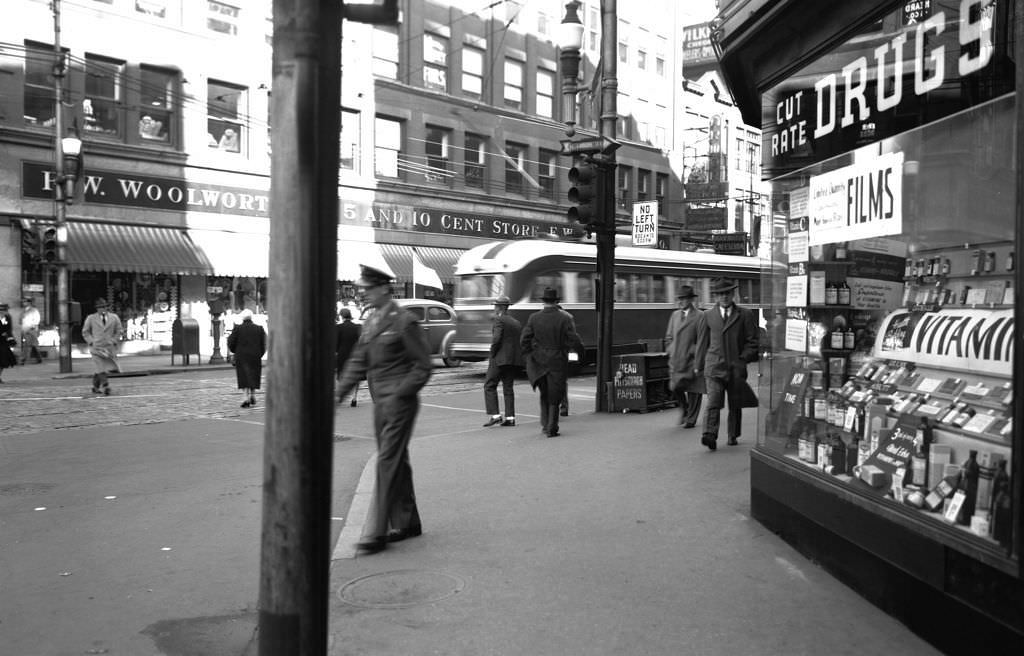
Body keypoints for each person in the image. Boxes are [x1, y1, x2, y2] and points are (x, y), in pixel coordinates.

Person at [336, 265, 433, 554]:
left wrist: (401, 394)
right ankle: (407, 522)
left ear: (382, 288)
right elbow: (357, 361)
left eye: (366, 288)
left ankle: (375, 533)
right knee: (396, 460)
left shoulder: (404, 321)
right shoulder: (371, 322)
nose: (362, 293)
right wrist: (337, 395)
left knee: (387, 461)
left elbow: (423, 366)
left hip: (400, 403)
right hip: (381, 403)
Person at [694, 277, 760, 451]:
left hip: (736, 368)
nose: (723, 297)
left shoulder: (745, 315)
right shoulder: (707, 316)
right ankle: (709, 434)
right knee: (713, 401)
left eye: (727, 293)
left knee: (735, 403)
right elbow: (702, 342)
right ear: (716, 296)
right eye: (720, 294)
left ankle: (733, 434)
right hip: (714, 367)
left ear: (733, 294)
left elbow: (752, 342)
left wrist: (743, 359)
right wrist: (698, 366)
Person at [520, 287, 580, 438]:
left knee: (544, 393)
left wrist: (530, 355)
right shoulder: (564, 318)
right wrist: (575, 352)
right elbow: (573, 339)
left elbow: (524, 340)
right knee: (556, 394)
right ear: (557, 301)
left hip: (539, 360)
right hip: (558, 359)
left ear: (543, 301)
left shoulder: (533, 318)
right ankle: (552, 427)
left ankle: (545, 424)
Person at [665, 285, 705, 428]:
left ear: (691, 300)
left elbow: (702, 338)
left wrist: (694, 352)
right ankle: (685, 408)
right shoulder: (675, 315)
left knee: (695, 389)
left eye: (684, 298)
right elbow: (669, 336)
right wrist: (671, 349)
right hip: (676, 359)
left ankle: (691, 419)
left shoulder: (700, 316)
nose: (681, 301)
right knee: (675, 386)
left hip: (692, 359)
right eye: (679, 298)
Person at [483, 295, 523, 427]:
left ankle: (495, 415)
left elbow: (496, 340)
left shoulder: (499, 320)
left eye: (495, 306)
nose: (494, 308)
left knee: (489, 385)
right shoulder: (515, 322)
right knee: (508, 388)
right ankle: (510, 418)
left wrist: (492, 354)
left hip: (499, 359)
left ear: (499, 307)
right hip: (512, 360)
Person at [81, 298, 123, 395]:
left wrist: (114, 340)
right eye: (100, 307)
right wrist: (91, 341)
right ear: (97, 309)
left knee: (103, 368)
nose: (103, 309)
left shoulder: (114, 317)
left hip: (109, 348)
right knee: (100, 367)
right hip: (96, 348)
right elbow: (85, 332)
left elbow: (119, 330)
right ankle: (106, 386)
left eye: (105, 307)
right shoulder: (91, 318)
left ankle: (95, 387)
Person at [227, 309, 267, 408]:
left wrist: (235, 351)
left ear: (242, 318)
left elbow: (231, 342)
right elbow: (264, 344)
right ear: (251, 317)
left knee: (244, 376)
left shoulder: (238, 328)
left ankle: (245, 397)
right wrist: (260, 354)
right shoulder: (259, 328)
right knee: (253, 375)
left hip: (242, 356)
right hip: (255, 356)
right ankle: (253, 395)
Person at [335, 307, 361, 407]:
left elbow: (336, 343)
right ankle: (354, 398)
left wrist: (336, 352)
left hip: (342, 354)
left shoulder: (338, 327)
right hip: (355, 353)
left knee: (340, 375)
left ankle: (339, 397)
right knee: (356, 375)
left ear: (341, 316)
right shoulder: (357, 327)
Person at [19, 297, 42, 365]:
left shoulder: (34, 310)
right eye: (23, 302)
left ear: (29, 303)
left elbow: (37, 319)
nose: (24, 303)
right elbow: (20, 320)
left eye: (25, 302)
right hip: (25, 330)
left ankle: (22, 359)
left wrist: (33, 327)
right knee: (33, 345)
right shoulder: (23, 311)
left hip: (31, 330)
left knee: (27, 345)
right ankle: (39, 358)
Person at [0, 302, 17, 383]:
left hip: (3, 342)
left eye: (4, 311)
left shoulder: (8, 317)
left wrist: (11, 339)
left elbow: (9, 329)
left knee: (4, 360)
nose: (3, 312)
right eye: (1, 310)